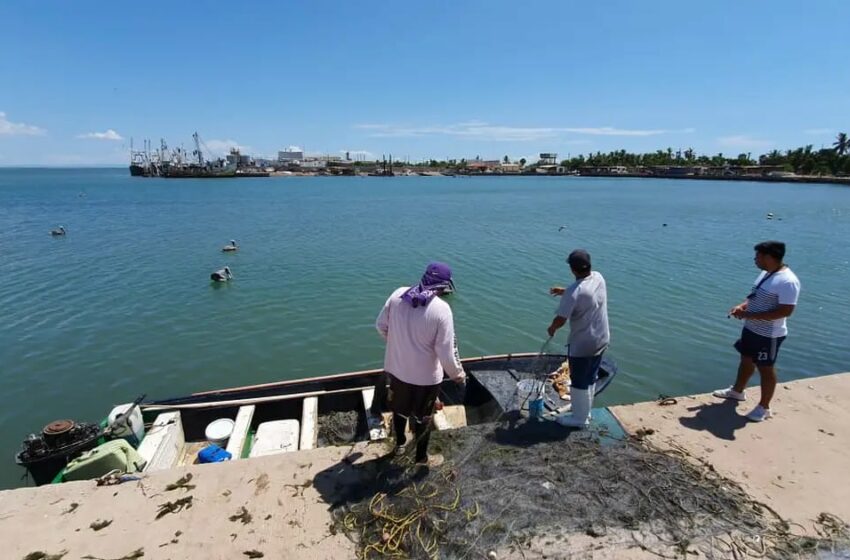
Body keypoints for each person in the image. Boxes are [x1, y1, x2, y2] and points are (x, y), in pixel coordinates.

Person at [376, 262, 466, 467]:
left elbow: (380, 326)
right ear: (443, 287)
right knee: (423, 416)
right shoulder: (442, 310)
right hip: (425, 379)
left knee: (399, 409)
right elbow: (446, 352)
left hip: (397, 370)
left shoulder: (398, 294)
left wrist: (399, 346)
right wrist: (457, 375)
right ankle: (421, 458)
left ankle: (399, 444)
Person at [713, 241, 801, 422]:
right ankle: (737, 391)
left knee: (766, 369)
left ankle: (764, 407)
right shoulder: (765, 274)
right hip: (751, 329)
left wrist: (750, 315)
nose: (755, 260)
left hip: (769, 334)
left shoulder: (788, 281)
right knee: (745, 360)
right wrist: (741, 307)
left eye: (758, 256)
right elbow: (754, 297)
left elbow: (785, 311)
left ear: (769, 257)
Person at [547, 249, 610, 428]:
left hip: (583, 345)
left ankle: (579, 420)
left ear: (572, 269)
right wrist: (565, 291)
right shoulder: (598, 277)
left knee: (579, 382)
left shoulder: (574, 292)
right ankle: (585, 412)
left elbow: (560, 319)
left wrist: (552, 328)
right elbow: (584, 292)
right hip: (602, 338)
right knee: (590, 378)